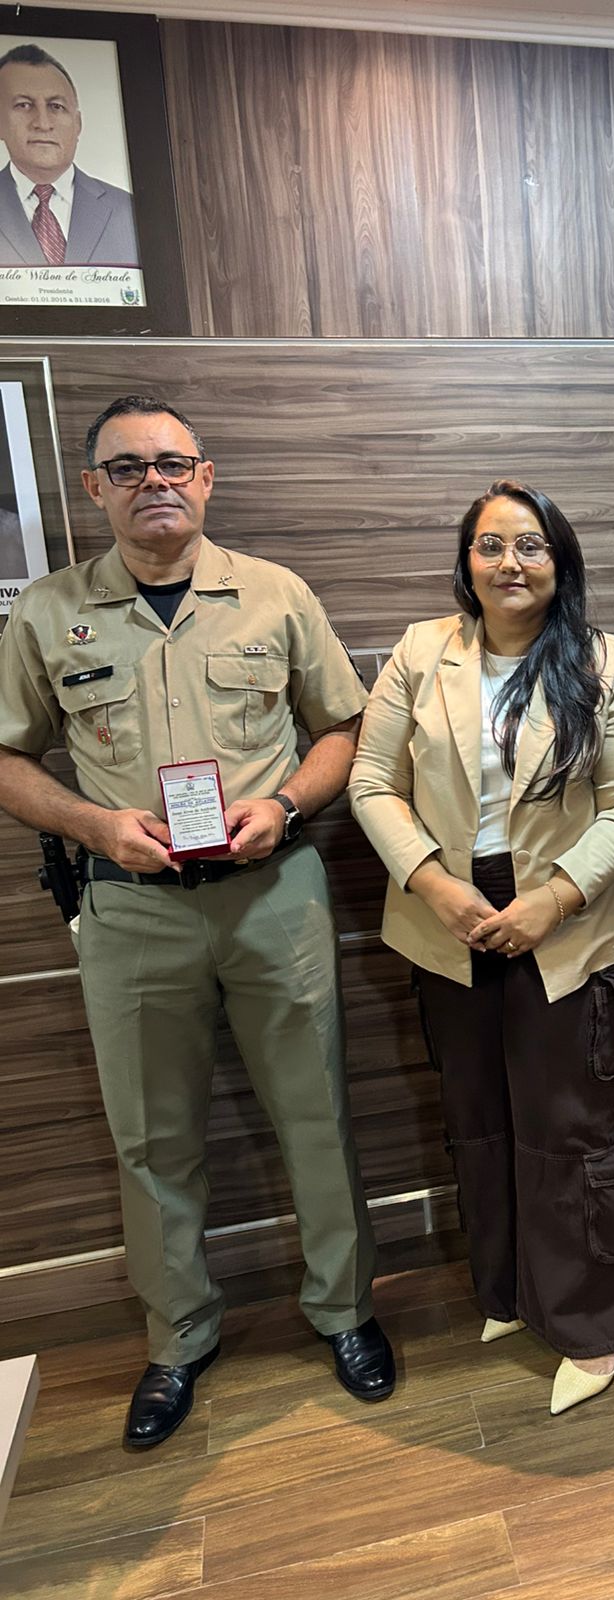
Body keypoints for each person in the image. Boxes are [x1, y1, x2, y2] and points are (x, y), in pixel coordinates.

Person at [0, 394, 393, 1448]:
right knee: (150, 1135)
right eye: (128, 468)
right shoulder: (47, 613)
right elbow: (7, 757)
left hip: (274, 895)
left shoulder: (275, 595)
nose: (154, 483)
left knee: (316, 1113)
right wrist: (92, 824)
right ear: (95, 489)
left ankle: (344, 1311)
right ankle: (178, 1335)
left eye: (172, 464)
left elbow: (346, 727)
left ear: (206, 478)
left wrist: (289, 805)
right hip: (130, 910)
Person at [350, 479, 614, 1415]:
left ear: (560, 560)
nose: (510, 563)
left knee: (573, 1129)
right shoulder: (420, 653)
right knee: (481, 1121)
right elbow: (370, 781)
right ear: (467, 562)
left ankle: (592, 1326)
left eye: (530, 545)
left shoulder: (607, 662)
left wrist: (551, 900)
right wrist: (433, 883)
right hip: (447, 919)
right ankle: (512, 1294)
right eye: (490, 545)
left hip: (573, 921)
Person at [0, 44, 138, 268]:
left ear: (78, 124)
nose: (43, 123)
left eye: (56, 106)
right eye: (23, 105)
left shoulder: (130, 211)